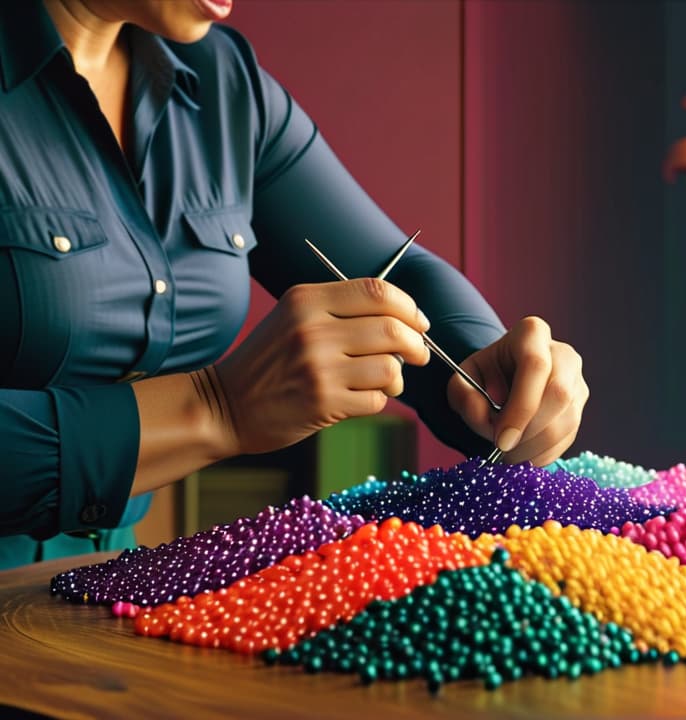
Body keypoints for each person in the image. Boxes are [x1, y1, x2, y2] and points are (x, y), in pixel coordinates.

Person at [0, 0, 589, 570]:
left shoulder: (222, 83)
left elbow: (392, 270)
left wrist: (485, 366)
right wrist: (217, 409)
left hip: (91, 591)